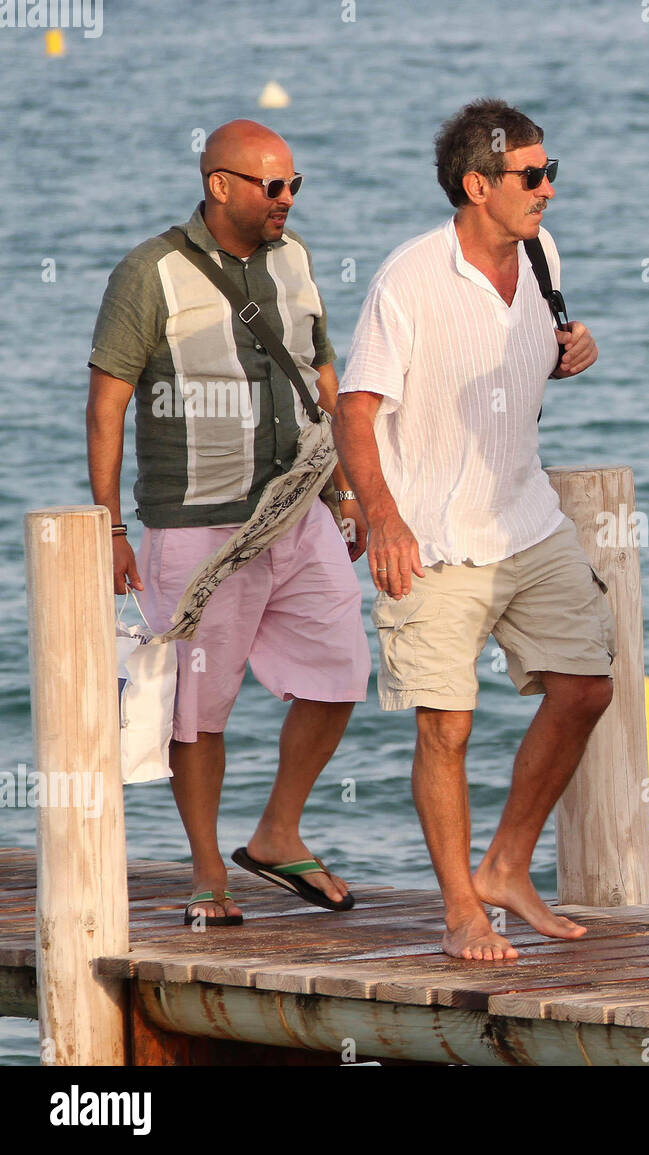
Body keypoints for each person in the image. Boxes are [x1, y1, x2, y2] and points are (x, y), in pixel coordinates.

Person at [333, 99, 613, 962]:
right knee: (446, 724)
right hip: (431, 535)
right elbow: (354, 409)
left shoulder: (540, 256)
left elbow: (509, 372)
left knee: (587, 686)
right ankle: (461, 909)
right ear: (477, 185)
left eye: (549, 171)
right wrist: (380, 516)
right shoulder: (407, 280)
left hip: (527, 519)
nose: (548, 191)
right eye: (531, 177)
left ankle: (505, 866)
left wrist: (573, 351)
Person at [86, 120, 371, 926]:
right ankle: (208, 872)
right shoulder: (150, 273)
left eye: (293, 185)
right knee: (195, 708)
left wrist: (343, 489)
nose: (286, 200)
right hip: (196, 525)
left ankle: (278, 832)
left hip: (297, 508)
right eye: (270, 186)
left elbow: (322, 373)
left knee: (342, 670)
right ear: (219, 185)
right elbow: (107, 405)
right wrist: (108, 527)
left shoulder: (297, 260)